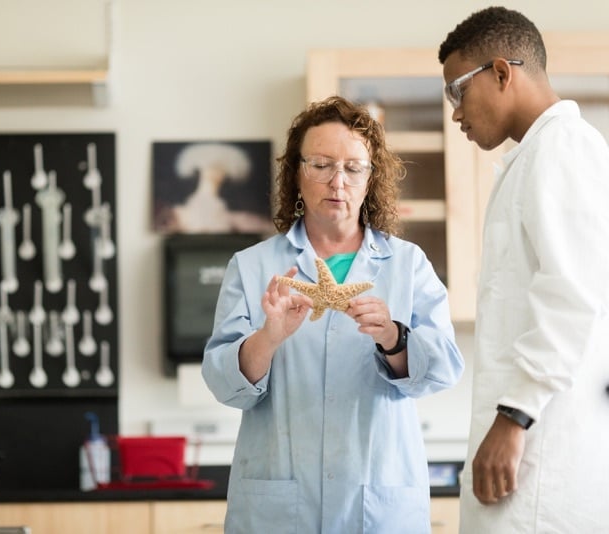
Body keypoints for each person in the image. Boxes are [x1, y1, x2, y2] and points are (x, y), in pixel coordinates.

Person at [201, 95, 464, 533]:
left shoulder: (407, 264)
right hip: (279, 508)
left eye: (352, 167)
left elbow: (442, 369)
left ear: (369, 178)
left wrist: (394, 337)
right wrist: (268, 337)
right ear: (297, 174)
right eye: (320, 164)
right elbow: (222, 382)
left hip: (377, 502)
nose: (336, 181)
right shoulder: (251, 267)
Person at [438, 7, 609, 533]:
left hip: (539, 457)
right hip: (528, 454)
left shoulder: (563, 148)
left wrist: (514, 418)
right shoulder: (535, 157)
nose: (455, 115)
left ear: (502, 72)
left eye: (456, 92)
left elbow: (573, 295)